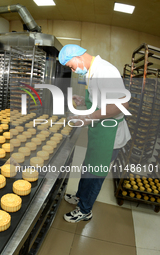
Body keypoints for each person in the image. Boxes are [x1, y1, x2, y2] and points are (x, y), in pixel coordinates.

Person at [58, 44, 131, 223]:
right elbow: (102, 100)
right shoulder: (92, 71)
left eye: (71, 65)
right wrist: (84, 100)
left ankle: (85, 210)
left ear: (79, 56)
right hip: (99, 131)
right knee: (87, 167)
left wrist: (90, 117)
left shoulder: (106, 71)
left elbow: (122, 104)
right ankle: (80, 197)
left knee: (95, 173)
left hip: (110, 135)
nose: (73, 70)